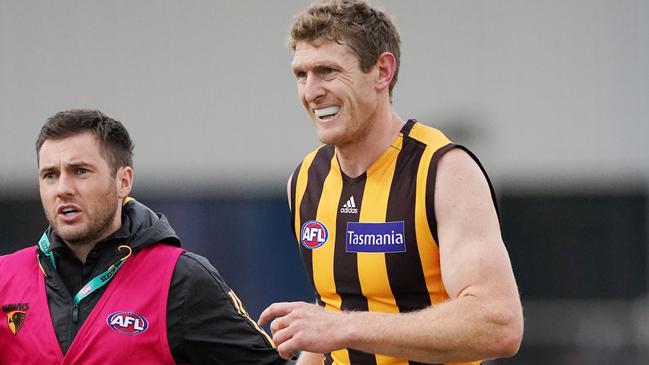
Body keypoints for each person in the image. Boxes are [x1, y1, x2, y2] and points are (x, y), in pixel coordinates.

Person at [258, 1, 524, 364]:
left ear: (382, 71)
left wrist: (347, 327)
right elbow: (330, 325)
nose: (311, 91)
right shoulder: (304, 182)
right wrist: (324, 335)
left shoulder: (444, 171)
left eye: (327, 71)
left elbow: (499, 325)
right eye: (301, 75)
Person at [0, 109, 289, 365]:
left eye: (80, 171)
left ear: (123, 181)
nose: (62, 188)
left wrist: (327, 331)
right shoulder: (5, 277)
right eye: (50, 175)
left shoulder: (181, 280)